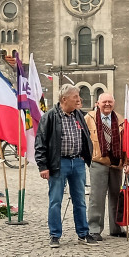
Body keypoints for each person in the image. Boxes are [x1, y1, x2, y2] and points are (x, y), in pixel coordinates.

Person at [36, 84, 94, 247]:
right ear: (64, 99)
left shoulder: (79, 115)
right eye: (75, 97)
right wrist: (43, 166)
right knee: (55, 200)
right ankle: (55, 235)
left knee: (80, 200)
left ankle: (83, 233)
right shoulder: (49, 117)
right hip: (58, 163)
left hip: (77, 162)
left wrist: (85, 156)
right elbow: (40, 142)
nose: (79, 100)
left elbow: (86, 136)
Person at [84, 91, 125, 240]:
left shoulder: (120, 119)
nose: (107, 104)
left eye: (110, 102)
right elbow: (83, 138)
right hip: (98, 161)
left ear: (113, 103)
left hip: (116, 162)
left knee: (116, 196)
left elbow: (126, 142)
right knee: (97, 197)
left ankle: (116, 228)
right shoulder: (89, 118)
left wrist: (127, 162)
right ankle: (94, 229)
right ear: (98, 103)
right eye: (104, 102)